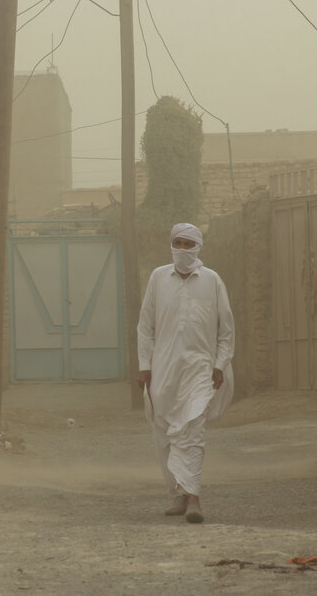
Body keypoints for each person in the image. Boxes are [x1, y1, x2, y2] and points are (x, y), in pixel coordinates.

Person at [137, 222, 234, 523]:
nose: (181, 249)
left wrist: (220, 364)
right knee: (164, 431)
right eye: (177, 243)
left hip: (199, 369)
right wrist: (144, 366)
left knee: (192, 429)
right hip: (163, 369)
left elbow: (226, 330)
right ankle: (178, 494)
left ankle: (194, 499)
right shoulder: (157, 278)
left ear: (198, 247)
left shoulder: (212, 280)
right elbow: (145, 327)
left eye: (187, 244)